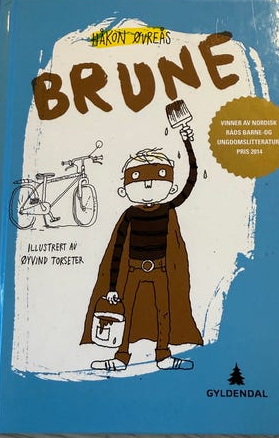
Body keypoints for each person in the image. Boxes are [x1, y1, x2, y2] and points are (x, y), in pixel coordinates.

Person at [80, 123, 203, 371]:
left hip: (161, 270)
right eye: (140, 180)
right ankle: (120, 357)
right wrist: (112, 288)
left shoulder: (167, 208)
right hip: (133, 271)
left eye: (156, 179)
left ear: (170, 186)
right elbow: (116, 252)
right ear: (124, 189)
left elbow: (191, 179)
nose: (148, 186)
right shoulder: (129, 215)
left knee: (164, 311)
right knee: (125, 313)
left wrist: (188, 142)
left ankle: (163, 356)